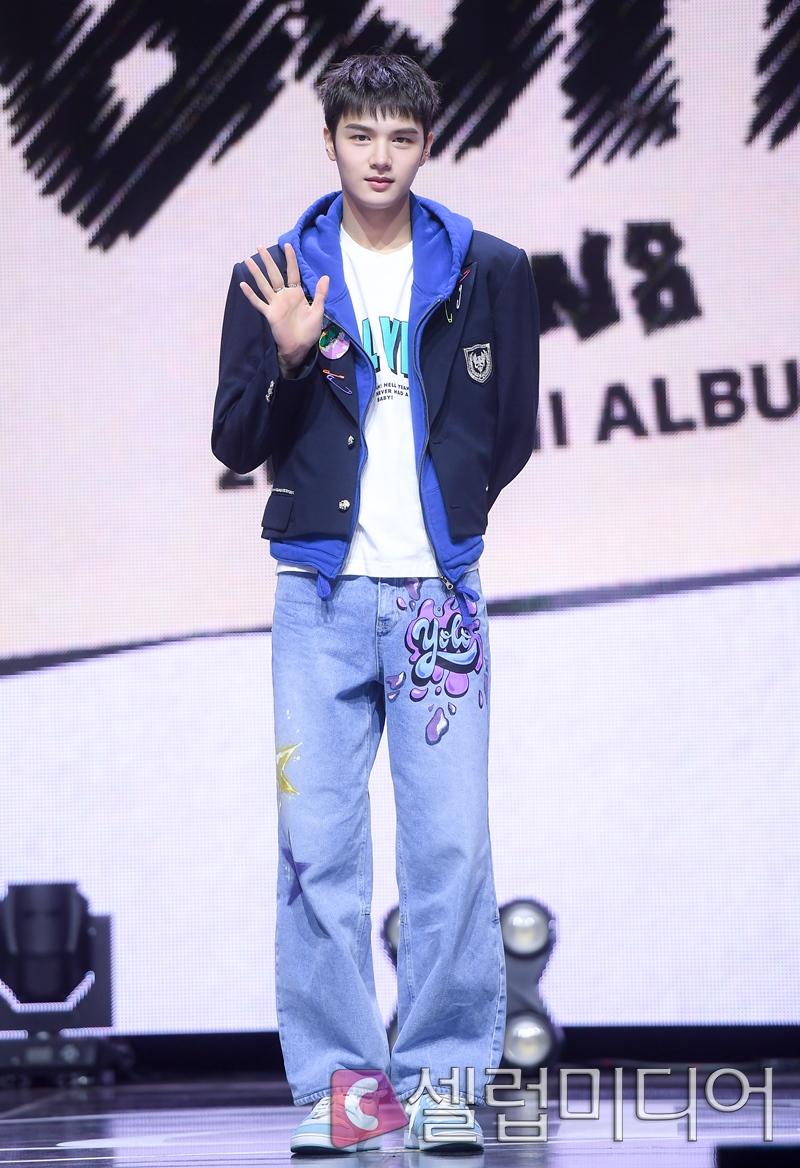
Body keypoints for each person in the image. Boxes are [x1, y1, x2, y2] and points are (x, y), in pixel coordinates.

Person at [212, 51, 539, 1154]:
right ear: (330, 142)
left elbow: (512, 430)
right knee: (316, 850)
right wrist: (289, 360)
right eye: (361, 135)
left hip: (438, 598)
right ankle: (348, 1092)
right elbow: (234, 441)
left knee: (450, 850)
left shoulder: (491, 269)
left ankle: (442, 1082)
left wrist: (449, 522)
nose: (380, 157)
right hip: (318, 597)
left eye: (400, 137)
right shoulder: (273, 275)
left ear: (425, 143)